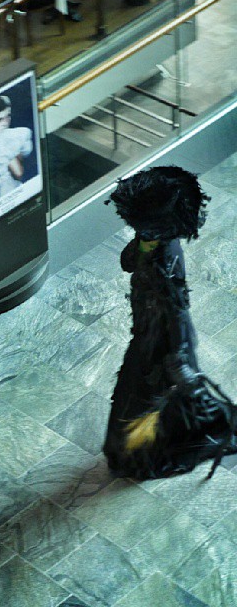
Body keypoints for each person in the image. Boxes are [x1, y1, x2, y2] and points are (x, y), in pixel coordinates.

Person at [103, 166, 237, 480]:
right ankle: (134, 452)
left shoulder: (166, 262)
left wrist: (179, 362)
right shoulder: (155, 244)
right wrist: (143, 244)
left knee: (136, 408)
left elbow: (175, 312)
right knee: (135, 406)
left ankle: (137, 457)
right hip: (149, 339)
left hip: (160, 349)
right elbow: (128, 262)